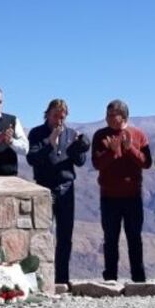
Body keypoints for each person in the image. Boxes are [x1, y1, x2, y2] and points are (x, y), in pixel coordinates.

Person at [26, 99, 89, 285]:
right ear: (47, 114)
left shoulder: (71, 134)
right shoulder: (37, 133)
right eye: (55, 116)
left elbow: (80, 162)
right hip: (45, 188)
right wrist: (50, 143)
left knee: (65, 236)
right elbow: (32, 159)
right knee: (42, 234)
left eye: (62, 117)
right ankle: (40, 278)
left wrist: (79, 146)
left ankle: (62, 279)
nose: (58, 121)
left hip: (66, 188)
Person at [91, 99, 152, 282]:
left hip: (133, 196)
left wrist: (129, 148)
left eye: (112, 115)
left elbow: (146, 162)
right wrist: (112, 151)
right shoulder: (101, 135)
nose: (107, 118)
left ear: (123, 117)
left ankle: (138, 278)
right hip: (109, 196)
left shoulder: (138, 135)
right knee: (110, 239)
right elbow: (97, 163)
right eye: (107, 114)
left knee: (134, 238)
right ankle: (110, 277)